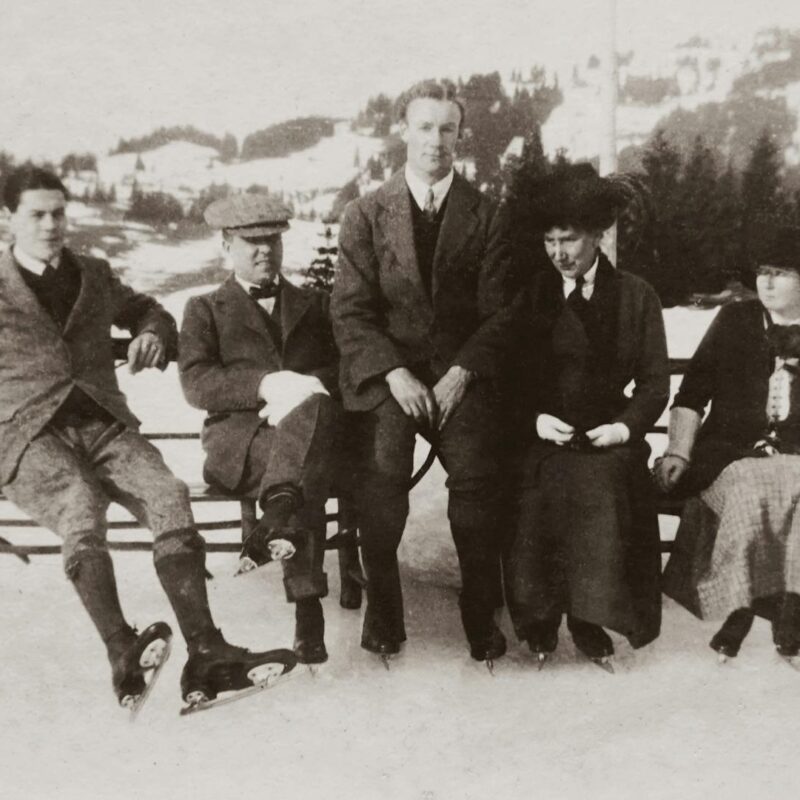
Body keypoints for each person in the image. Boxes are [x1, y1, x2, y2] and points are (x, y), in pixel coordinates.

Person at [0, 166, 295, 711]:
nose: (49, 225)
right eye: (36, 214)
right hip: (24, 436)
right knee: (78, 503)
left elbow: (150, 310)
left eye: (58, 213)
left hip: (103, 422)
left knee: (167, 493)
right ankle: (121, 650)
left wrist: (153, 332)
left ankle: (207, 651)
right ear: (7, 218)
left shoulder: (91, 273)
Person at [330, 79, 514, 665]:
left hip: (462, 378)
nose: (436, 140)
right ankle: (385, 613)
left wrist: (462, 372)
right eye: (425, 127)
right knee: (381, 478)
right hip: (394, 380)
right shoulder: (365, 214)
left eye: (448, 129)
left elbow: (502, 313)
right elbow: (351, 311)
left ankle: (480, 612)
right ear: (403, 132)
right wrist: (392, 374)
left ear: (461, 136)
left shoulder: (489, 215)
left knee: (479, 480)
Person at [503, 163, 669, 669]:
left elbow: (654, 382)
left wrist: (623, 427)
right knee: (541, 485)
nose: (559, 253)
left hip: (609, 438)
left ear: (597, 235)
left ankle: (589, 618)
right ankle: (539, 623)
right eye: (550, 241)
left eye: (569, 240)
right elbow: (507, 379)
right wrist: (533, 421)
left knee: (602, 484)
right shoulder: (532, 295)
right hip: (546, 437)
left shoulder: (637, 296)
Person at [179, 194, 352, 666]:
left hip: (307, 433)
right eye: (251, 242)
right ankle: (307, 608)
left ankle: (280, 516)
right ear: (226, 246)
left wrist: (309, 387)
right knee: (303, 468)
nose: (264, 252)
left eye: (272, 241)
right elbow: (196, 384)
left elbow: (346, 367)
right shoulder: (203, 308)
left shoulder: (313, 304)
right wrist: (264, 384)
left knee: (309, 425)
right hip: (240, 443)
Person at [656, 223, 800, 663]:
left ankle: (778, 611)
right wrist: (679, 450)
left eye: (782, 272)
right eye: (763, 271)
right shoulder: (736, 320)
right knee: (755, 487)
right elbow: (692, 392)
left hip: (796, 460)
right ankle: (751, 608)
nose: (768, 282)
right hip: (729, 456)